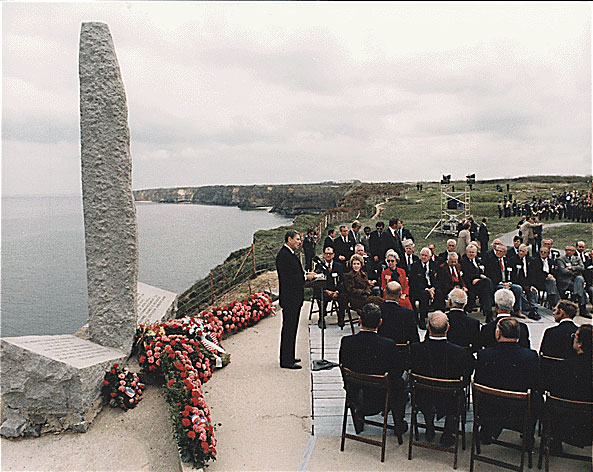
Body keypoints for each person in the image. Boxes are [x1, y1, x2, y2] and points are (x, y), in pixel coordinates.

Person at [339, 303, 407, 434]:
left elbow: (344, 366)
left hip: (356, 394)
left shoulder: (347, 342)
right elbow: (397, 373)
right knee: (403, 379)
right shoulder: (388, 345)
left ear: (360, 320)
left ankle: (358, 417)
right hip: (382, 399)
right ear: (380, 322)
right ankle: (399, 422)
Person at [410, 311, 475, 446]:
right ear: (448, 328)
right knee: (458, 395)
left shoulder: (415, 349)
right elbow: (466, 380)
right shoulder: (461, 353)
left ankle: (429, 426)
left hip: (423, 397)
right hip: (450, 399)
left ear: (428, 327)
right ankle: (447, 432)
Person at [474, 318, 541, 446]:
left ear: (498, 334)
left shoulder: (484, 355)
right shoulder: (531, 356)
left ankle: (487, 432)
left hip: (491, 410)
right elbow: (536, 385)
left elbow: (478, 383)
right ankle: (528, 437)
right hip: (520, 412)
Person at [547, 324, 592, 451]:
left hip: (564, 421)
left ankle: (555, 442)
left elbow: (552, 391)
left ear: (580, 344)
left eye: (575, 336)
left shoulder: (562, 367)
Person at [275, 230, 316, 369]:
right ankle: (286, 360)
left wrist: (305, 274)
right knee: (289, 328)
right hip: (290, 298)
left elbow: (294, 273)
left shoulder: (289, 254)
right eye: (297, 239)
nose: (299, 242)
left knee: (292, 328)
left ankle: (289, 355)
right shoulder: (284, 256)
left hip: (293, 297)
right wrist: (306, 278)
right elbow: (289, 279)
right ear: (289, 239)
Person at [409, 247, 443, 330]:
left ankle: (440, 317)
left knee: (439, 293)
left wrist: (433, 288)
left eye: (425, 255)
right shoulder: (415, 265)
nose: (423, 257)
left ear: (430, 257)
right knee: (424, 295)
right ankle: (422, 319)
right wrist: (427, 289)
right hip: (420, 288)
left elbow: (439, 279)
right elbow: (414, 281)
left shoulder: (435, 265)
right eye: (422, 255)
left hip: (432, 287)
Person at [483, 244, 523, 315]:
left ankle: (517, 311)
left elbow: (512, 273)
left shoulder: (507, 260)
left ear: (504, 252)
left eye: (500, 251)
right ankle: (504, 309)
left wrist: (510, 282)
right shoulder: (491, 260)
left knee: (518, 288)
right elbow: (490, 275)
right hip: (497, 284)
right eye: (497, 251)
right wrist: (501, 283)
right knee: (504, 289)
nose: (498, 252)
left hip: (507, 282)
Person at [313, 246, 346, 329]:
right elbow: (317, 281)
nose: (328, 255)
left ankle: (341, 318)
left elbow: (342, 281)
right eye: (326, 254)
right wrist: (327, 291)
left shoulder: (338, 266)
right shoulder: (319, 266)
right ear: (323, 255)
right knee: (322, 298)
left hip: (336, 290)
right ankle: (321, 319)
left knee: (343, 297)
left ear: (333, 255)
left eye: (330, 254)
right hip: (325, 290)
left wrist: (337, 292)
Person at [460, 244, 494, 322]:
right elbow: (467, 274)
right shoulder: (463, 261)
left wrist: (479, 278)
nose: (471, 254)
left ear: (476, 253)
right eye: (469, 252)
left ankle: (489, 316)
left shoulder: (478, 260)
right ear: (466, 252)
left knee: (485, 292)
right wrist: (479, 276)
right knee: (487, 281)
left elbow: (484, 270)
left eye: (473, 252)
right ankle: (493, 295)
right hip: (470, 284)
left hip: (480, 284)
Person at [510, 244, 540, 320]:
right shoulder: (513, 259)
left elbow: (533, 274)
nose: (521, 253)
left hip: (527, 282)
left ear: (526, 252)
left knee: (532, 291)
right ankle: (521, 309)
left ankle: (533, 309)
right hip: (517, 282)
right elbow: (512, 274)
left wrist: (532, 285)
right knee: (519, 290)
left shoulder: (531, 260)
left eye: (523, 251)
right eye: (520, 251)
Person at [556, 245, 586, 316]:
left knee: (580, 279)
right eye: (567, 250)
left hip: (575, 280)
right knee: (581, 289)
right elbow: (563, 270)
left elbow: (582, 268)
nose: (568, 252)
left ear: (574, 251)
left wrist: (571, 268)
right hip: (565, 281)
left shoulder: (577, 258)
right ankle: (580, 304)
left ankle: (576, 296)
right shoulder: (560, 259)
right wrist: (575, 271)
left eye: (571, 250)